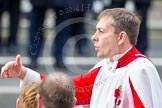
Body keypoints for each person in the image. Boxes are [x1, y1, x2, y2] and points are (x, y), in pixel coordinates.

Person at [1, 8, 162, 107]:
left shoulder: (140, 70)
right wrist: (23, 73)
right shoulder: (105, 67)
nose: (94, 37)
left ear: (121, 37)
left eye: (101, 31)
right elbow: (68, 89)